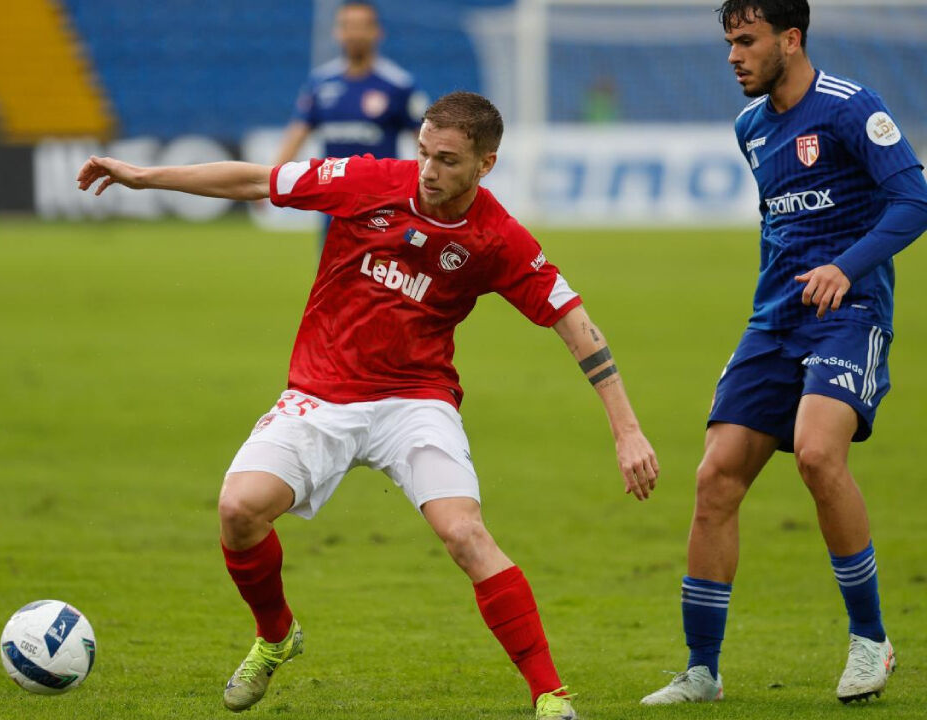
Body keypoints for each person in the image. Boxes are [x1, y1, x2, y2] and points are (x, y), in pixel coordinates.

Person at [79, 90, 660, 720]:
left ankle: (549, 694)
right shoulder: (366, 181)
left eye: (447, 160)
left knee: (464, 533)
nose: (428, 170)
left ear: (485, 165)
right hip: (321, 393)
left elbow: (575, 324)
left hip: (416, 401)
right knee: (238, 510)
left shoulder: (498, 238)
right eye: (423, 152)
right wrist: (143, 177)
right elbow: (256, 180)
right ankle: (276, 636)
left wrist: (627, 430)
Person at [640, 0, 927, 707]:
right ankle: (702, 671)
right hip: (773, 324)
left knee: (818, 455)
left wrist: (846, 268)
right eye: (729, 42)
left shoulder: (851, 108)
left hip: (848, 314)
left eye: (747, 41)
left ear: (790, 39)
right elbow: (782, 228)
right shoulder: (751, 128)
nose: (733, 56)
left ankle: (871, 640)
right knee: (715, 479)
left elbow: (913, 200)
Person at [274, 1, 427, 168]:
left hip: (379, 184)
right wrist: (272, 176)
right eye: (347, 26)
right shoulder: (320, 82)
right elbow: (297, 133)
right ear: (337, 32)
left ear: (377, 31)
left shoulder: (399, 84)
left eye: (362, 26)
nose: (355, 34)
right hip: (332, 183)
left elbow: (423, 138)